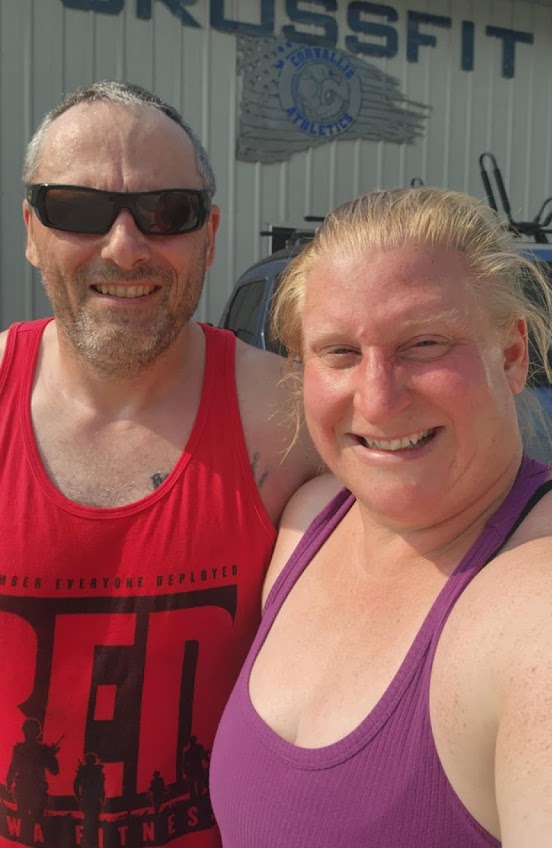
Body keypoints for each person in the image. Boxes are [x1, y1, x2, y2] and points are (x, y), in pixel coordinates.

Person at [0, 80, 320, 848]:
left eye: (167, 211)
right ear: (32, 231)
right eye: (77, 208)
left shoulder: (291, 420)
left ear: (209, 236)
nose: (124, 246)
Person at [210, 187, 552, 847]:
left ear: (511, 355)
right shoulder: (308, 522)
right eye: (339, 353)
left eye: (425, 344)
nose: (378, 400)